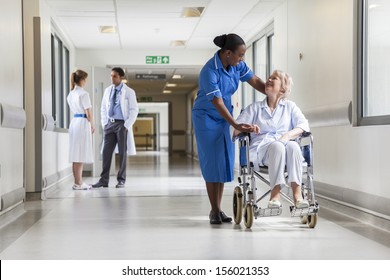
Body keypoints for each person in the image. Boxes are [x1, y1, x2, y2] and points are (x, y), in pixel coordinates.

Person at [192, 33, 266, 224]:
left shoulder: (236, 66)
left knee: (222, 162)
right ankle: (214, 211)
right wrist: (235, 124)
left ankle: (218, 210)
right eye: (240, 55)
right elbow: (216, 101)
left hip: (224, 117)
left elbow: (254, 80)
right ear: (227, 53)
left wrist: (273, 91)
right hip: (206, 118)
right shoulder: (209, 71)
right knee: (211, 162)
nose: (242, 59)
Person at [232, 70, 310, 209]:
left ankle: (297, 195)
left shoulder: (290, 107)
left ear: (282, 89)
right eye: (269, 77)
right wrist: (248, 128)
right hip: (262, 151)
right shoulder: (255, 108)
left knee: (293, 146)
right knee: (277, 146)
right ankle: (275, 195)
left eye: (274, 78)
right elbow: (236, 129)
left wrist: (287, 136)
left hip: (287, 148)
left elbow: (304, 125)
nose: (268, 79)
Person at [92, 67, 139, 188]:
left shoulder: (129, 91)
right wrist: (104, 123)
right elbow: (103, 107)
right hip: (109, 124)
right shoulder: (108, 90)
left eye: (115, 76)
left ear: (121, 77)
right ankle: (104, 180)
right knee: (106, 152)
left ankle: (121, 179)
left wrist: (126, 125)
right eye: (111, 76)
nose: (112, 78)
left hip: (122, 124)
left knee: (122, 153)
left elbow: (134, 110)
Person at [67, 69, 95, 190]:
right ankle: (79, 183)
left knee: (76, 152)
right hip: (83, 122)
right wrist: (92, 125)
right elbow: (88, 113)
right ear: (82, 80)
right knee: (81, 153)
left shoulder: (71, 94)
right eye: (86, 79)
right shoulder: (84, 94)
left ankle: (77, 182)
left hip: (74, 122)